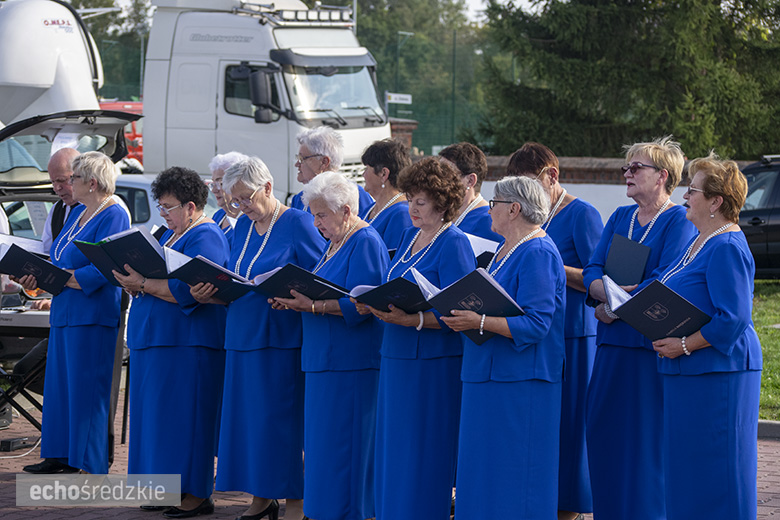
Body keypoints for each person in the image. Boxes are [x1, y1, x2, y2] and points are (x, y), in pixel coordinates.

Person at [190, 157, 325, 520]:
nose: (241, 206)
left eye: (246, 198)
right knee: (250, 423)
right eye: (234, 201)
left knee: (281, 421)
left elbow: (319, 274)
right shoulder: (242, 227)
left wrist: (297, 296)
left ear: (268, 187)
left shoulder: (297, 222)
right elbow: (233, 278)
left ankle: (296, 499)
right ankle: (262, 496)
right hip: (241, 334)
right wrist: (209, 292)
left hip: (281, 337)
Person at [581, 136, 696, 520]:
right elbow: (593, 269)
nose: (626, 174)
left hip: (648, 349)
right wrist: (605, 295)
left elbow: (668, 279)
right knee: (604, 436)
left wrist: (617, 307)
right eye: (626, 167)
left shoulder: (678, 220)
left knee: (643, 446)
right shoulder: (618, 217)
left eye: (636, 168)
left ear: (662, 176)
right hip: (611, 345)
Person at [442, 175, 565, 519]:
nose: (488, 210)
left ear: (514, 209)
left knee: (516, 475)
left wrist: (478, 321)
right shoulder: (505, 250)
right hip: (490, 375)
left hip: (520, 381)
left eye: (494, 203)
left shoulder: (537, 251)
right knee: (483, 472)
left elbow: (538, 323)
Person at [364, 157, 476, 520]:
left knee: (424, 450)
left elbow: (458, 312)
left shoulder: (454, 243)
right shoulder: (409, 235)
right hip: (395, 354)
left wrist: (414, 319)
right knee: (394, 448)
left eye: (420, 201)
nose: (411, 207)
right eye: (410, 198)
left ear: (442, 203)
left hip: (432, 362)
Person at [651, 154, 762, 519]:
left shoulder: (727, 245)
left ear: (715, 201)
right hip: (688, 373)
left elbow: (733, 319)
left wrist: (683, 344)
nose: (684, 196)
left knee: (719, 470)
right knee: (687, 468)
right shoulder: (698, 240)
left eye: (692, 190)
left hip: (719, 374)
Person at [272, 171, 388, 520]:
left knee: (346, 446)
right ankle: (324, 510)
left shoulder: (365, 240)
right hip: (323, 358)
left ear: (347, 210)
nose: (316, 221)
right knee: (322, 445)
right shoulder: (333, 241)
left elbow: (365, 303)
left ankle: (347, 512)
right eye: (314, 213)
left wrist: (311, 305)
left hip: (351, 362)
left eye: (322, 214)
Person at [114, 167, 229, 518]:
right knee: (156, 420)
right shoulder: (170, 234)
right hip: (159, 341)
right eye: (160, 207)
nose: (162, 214)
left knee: (186, 419)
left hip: (186, 344)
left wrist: (143, 283)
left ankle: (195, 493)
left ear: (191, 206)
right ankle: (165, 487)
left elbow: (186, 292)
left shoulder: (205, 236)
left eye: (168, 207)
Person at [506, 142, 603, 520]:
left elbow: (601, 277)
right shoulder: (527, 214)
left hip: (575, 334)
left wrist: (548, 268)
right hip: (537, 334)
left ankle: (570, 506)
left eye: (529, 183)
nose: (523, 194)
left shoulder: (581, 214)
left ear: (552, 177)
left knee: (571, 423)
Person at [17, 151, 130, 474]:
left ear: (91, 183)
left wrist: (67, 278)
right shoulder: (76, 213)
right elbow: (57, 256)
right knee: (60, 387)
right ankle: (59, 454)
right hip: (66, 311)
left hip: (92, 313)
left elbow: (109, 266)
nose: (67, 185)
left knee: (87, 390)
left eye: (73, 178)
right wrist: (35, 273)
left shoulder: (112, 213)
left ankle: (88, 461)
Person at [290, 126, 373, 214]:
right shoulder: (299, 199)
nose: (297, 164)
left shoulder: (356, 194)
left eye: (302, 159)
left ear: (324, 162)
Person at [439, 142, 502, 242]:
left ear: (470, 180)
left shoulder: (490, 222)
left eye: (446, 173)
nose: (437, 180)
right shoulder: (441, 214)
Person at [359, 139, 412, 250]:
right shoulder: (370, 209)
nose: (363, 174)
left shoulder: (402, 213)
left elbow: (392, 259)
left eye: (367, 168)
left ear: (383, 174)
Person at [208, 151, 247, 244]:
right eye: (213, 183)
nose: (214, 190)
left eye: (220, 183)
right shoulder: (219, 215)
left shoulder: (247, 219)